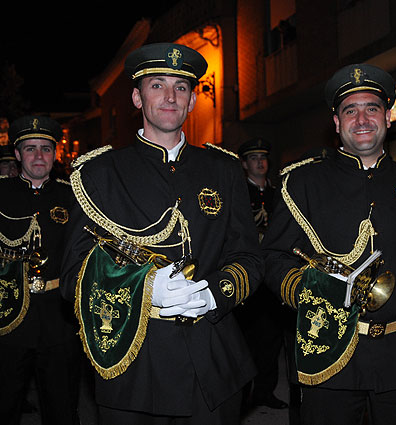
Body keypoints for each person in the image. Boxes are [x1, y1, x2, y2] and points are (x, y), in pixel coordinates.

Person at [60, 43, 263, 425]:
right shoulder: (99, 174)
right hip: (133, 368)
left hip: (213, 362)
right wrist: (144, 287)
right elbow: (73, 278)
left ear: (190, 102)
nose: (170, 96)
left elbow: (249, 258)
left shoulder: (223, 170)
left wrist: (214, 294)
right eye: (157, 85)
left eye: (181, 87)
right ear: (137, 97)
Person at [261, 63, 396, 425]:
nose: (362, 119)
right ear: (336, 123)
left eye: (371, 108)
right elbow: (274, 258)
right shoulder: (301, 182)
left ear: (388, 117)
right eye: (350, 110)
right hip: (326, 349)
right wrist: (311, 290)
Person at [0, 115, 80, 424]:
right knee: (5, 402)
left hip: (58, 319)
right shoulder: (2, 194)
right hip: (8, 320)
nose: (38, 156)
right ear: (18, 154)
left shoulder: (71, 197)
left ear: (55, 154)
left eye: (46, 149)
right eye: (30, 149)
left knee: (61, 407)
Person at [234, 137, 290, 411]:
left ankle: (265, 392)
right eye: (254, 158)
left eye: (263, 157)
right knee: (244, 340)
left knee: (271, 339)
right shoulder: (237, 193)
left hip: (272, 276)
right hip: (247, 274)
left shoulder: (279, 194)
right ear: (244, 164)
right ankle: (242, 395)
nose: (260, 162)